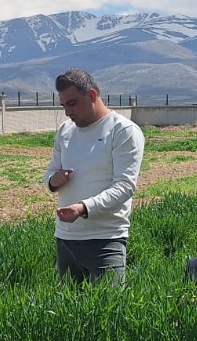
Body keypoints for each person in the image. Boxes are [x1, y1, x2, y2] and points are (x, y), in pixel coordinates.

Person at [44, 68, 145, 283]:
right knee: (69, 313)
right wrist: (54, 181)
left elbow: (125, 186)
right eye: (63, 105)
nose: (67, 112)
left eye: (72, 104)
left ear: (91, 96)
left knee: (108, 310)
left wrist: (83, 208)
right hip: (65, 238)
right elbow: (50, 172)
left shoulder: (123, 131)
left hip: (106, 238)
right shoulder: (65, 130)